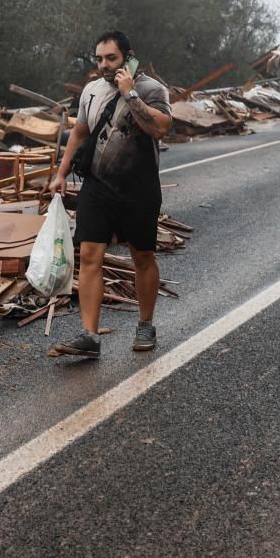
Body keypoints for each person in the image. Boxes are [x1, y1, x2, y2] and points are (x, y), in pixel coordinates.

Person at [48, 30, 173, 357]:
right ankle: (90, 335)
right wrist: (60, 174)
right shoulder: (91, 91)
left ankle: (145, 324)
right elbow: (80, 131)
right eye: (99, 59)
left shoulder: (152, 89)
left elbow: (159, 127)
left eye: (111, 59)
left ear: (128, 57)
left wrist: (130, 95)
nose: (104, 65)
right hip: (98, 186)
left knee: (142, 257)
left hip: (139, 188)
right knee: (89, 255)